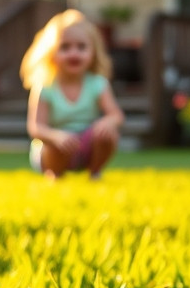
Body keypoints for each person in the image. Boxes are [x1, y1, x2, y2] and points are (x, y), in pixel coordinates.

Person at [23, 10, 125, 180]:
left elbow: (116, 115)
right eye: (65, 47)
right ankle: (55, 174)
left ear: (93, 52)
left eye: (81, 47)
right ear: (51, 53)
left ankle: (95, 172)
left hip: (86, 145)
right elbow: (35, 127)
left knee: (109, 135)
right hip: (54, 150)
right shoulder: (45, 86)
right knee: (53, 146)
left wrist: (107, 122)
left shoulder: (98, 84)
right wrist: (56, 136)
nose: (74, 53)